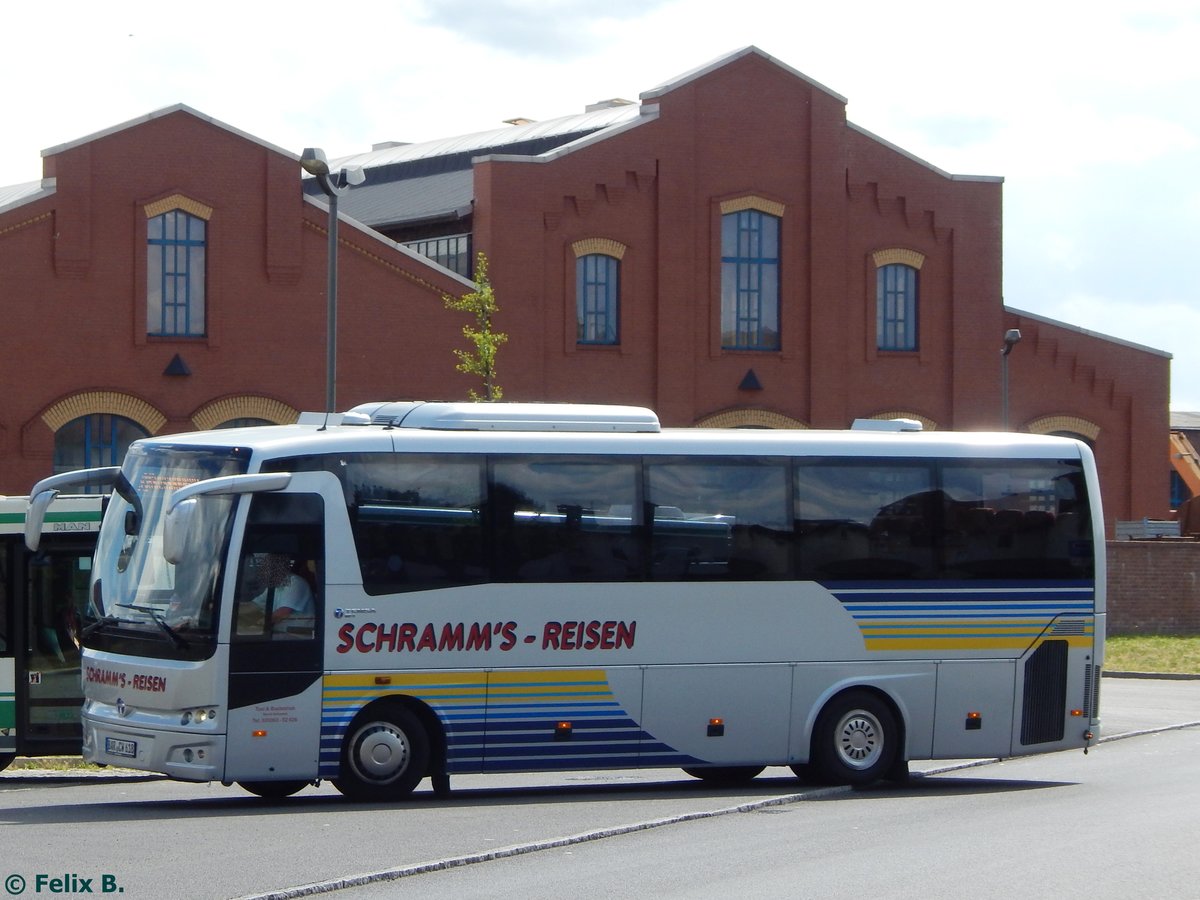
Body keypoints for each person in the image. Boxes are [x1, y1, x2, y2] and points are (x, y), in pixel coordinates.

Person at [245, 553, 314, 636]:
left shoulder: (295, 582)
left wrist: (258, 624)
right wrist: (237, 611)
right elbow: (255, 605)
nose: (264, 571)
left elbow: (282, 613)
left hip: (297, 634)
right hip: (281, 632)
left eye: (268, 567)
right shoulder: (276, 585)